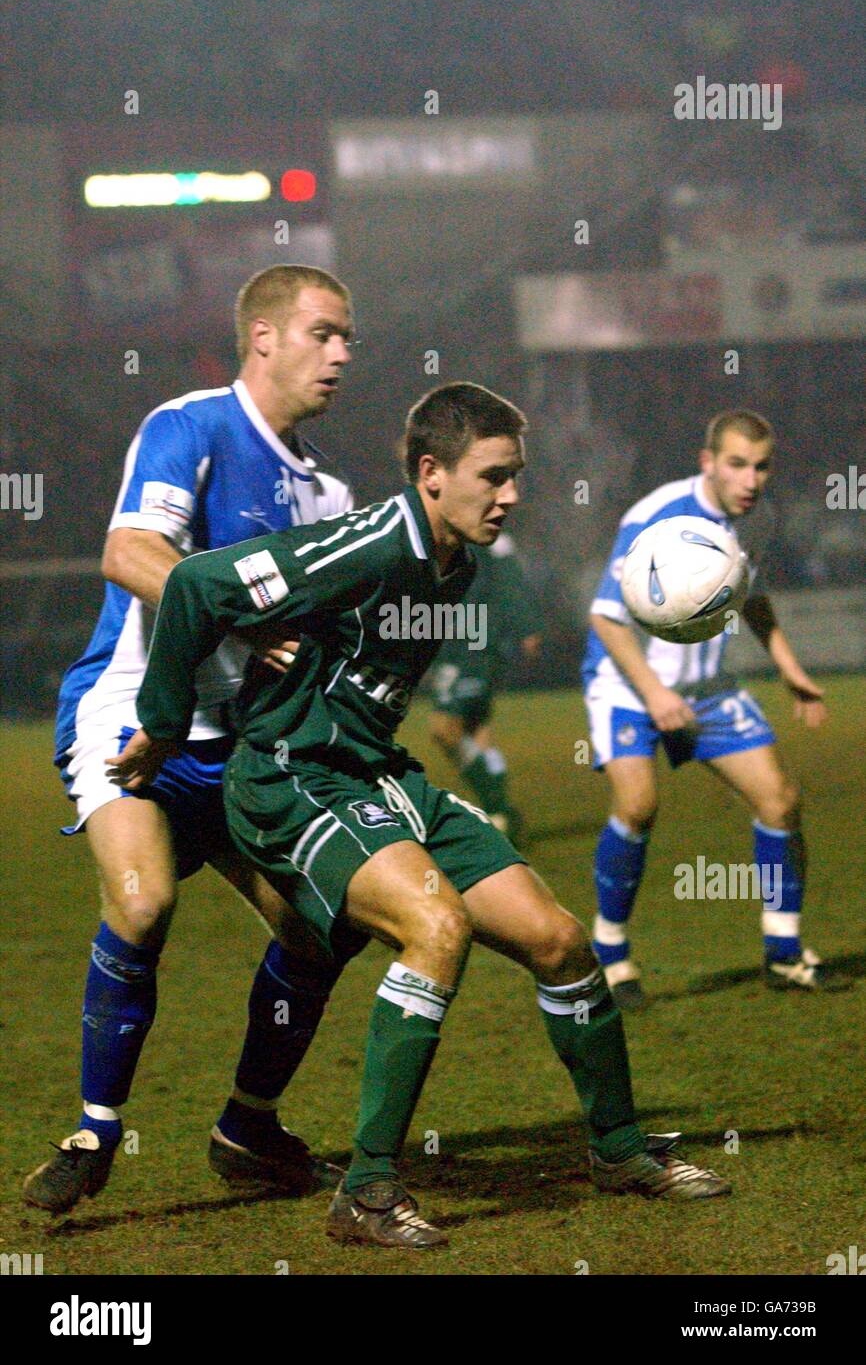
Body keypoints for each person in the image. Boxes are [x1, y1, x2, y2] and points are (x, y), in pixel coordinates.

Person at [111, 382, 731, 1251]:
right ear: (432, 473)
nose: (510, 495)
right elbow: (197, 587)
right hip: (292, 779)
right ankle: (366, 1191)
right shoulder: (366, 545)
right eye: (495, 476)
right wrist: (165, 727)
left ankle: (619, 1149)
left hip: (376, 774)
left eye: (516, 476)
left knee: (559, 942)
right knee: (435, 927)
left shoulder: (459, 565)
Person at [24, 264, 364, 1214]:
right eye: (323, 333)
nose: (340, 355)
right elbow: (129, 553)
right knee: (143, 904)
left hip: (240, 748)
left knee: (318, 930)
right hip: (134, 717)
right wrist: (255, 623)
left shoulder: (327, 495)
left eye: (348, 340)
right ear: (263, 337)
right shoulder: (192, 426)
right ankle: (93, 1130)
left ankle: (248, 1127)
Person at [581, 409, 827, 1012]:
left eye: (761, 466)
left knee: (780, 799)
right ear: (708, 462)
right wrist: (655, 696)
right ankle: (610, 951)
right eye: (738, 464)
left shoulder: (756, 518)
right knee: (638, 806)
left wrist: (789, 667)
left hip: (708, 688)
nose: (751, 479)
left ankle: (784, 950)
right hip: (628, 686)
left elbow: (748, 594)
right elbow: (606, 619)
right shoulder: (655, 518)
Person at [428, 531, 541, 841]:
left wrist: (526, 627)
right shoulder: (439, 532)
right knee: (478, 731)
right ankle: (502, 814)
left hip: (474, 646)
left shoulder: (490, 540)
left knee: (444, 729)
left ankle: (498, 807)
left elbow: (512, 584)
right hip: (454, 644)